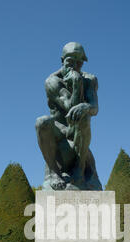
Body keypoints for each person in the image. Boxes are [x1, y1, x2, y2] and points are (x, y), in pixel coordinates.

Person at [36, 42, 102, 190]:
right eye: (70, 61)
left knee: (84, 114)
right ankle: (54, 172)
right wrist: (77, 83)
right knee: (42, 122)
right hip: (59, 135)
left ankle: (79, 171)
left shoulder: (90, 80)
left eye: (79, 62)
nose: (75, 66)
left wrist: (86, 106)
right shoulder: (52, 81)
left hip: (78, 137)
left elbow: (95, 108)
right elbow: (69, 108)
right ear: (62, 60)